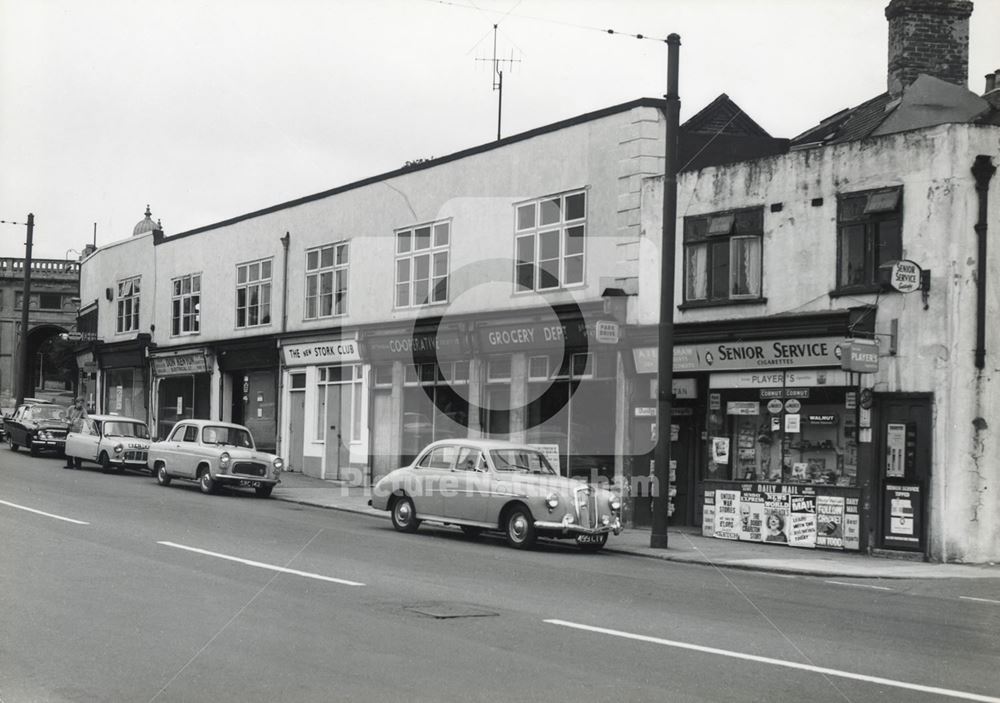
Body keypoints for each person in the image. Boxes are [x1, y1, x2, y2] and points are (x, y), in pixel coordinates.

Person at [63, 398, 87, 469]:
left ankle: (78, 464)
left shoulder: (83, 410)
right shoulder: (71, 408)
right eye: (80, 403)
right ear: (76, 403)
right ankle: (69, 464)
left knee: (78, 447)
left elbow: (86, 418)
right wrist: (68, 421)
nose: (81, 404)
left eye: (82, 403)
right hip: (70, 429)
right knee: (69, 447)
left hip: (78, 431)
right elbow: (66, 417)